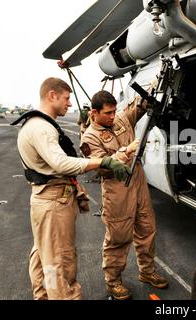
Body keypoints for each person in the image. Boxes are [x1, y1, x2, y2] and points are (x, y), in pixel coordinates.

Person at [12, 77, 132, 300]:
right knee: (60, 262)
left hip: (44, 199)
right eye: (66, 98)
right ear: (52, 96)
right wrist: (102, 161)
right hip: (53, 203)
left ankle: (44, 296)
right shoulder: (41, 128)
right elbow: (61, 163)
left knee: (43, 257)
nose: (69, 104)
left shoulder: (35, 123)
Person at [80, 89, 168, 300]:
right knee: (118, 238)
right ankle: (113, 282)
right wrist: (127, 151)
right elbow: (101, 167)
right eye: (108, 113)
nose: (113, 116)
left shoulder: (120, 118)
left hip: (138, 182)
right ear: (94, 113)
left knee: (147, 229)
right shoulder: (89, 138)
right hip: (117, 189)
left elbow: (139, 105)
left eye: (114, 111)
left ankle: (147, 272)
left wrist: (156, 85)